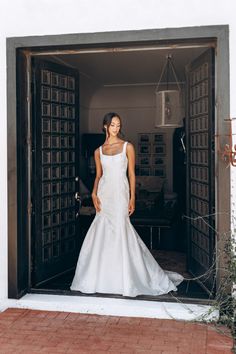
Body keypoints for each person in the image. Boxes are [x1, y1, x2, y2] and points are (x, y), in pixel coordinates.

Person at [70, 112, 184, 297]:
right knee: (102, 229)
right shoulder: (98, 151)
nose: (116, 128)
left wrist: (132, 197)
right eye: (113, 125)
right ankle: (100, 277)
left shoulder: (127, 147)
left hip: (120, 194)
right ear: (105, 126)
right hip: (104, 193)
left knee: (122, 228)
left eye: (118, 125)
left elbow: (131, 174)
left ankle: (128, 277)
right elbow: (98, 175)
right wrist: (93, 192)